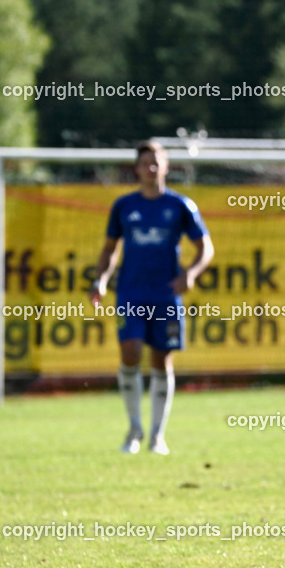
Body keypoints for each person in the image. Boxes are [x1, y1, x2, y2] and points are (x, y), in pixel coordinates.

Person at [91, 141, 214, 455]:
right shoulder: (124, 206)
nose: (151, 168)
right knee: (130, 352)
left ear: (166, 166)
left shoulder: (180, 206)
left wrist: (191, 273)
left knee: (161, 360)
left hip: (165, 295)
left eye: (157, 162)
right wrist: (102, 279)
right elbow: (110, 249)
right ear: (137, 168)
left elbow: (206, 248)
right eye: (146, 163)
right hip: (131, 293)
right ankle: (134, 428)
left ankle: (158, 436)